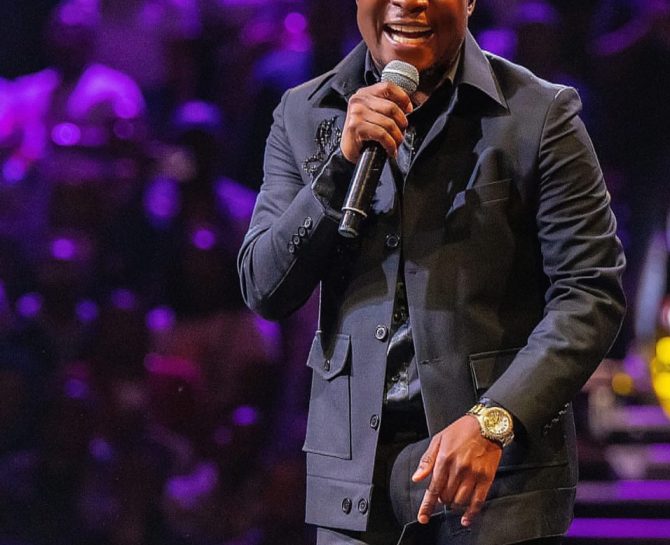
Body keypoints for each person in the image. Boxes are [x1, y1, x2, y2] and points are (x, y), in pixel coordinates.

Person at [237, 0, 625, 544]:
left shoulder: (539, 114)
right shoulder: (304, 114)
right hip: (354, 488)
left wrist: (495, 420)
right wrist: (339, 167)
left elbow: (590, 295)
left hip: (494, 485)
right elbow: (264, 287)